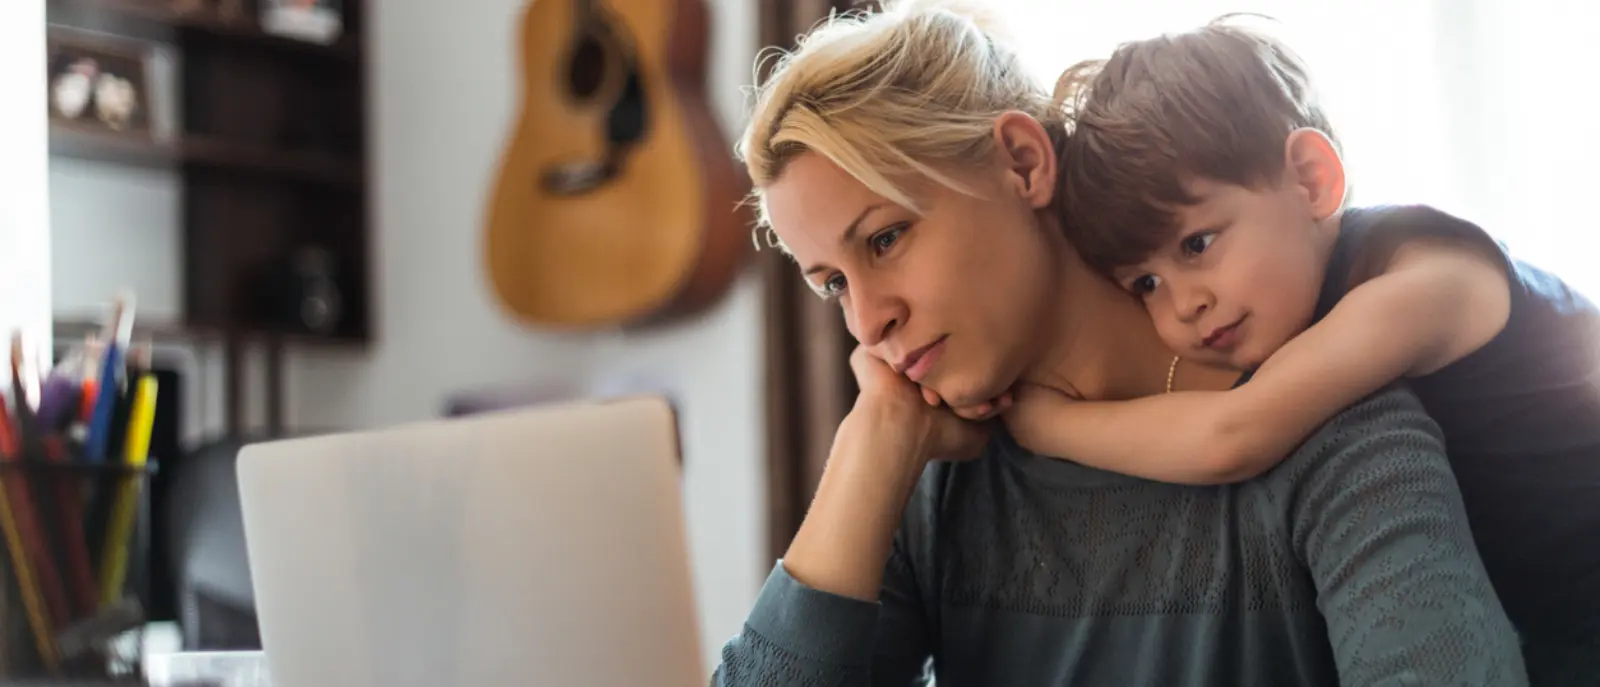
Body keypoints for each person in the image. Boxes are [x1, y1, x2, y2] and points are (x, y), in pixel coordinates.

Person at [710, 2, 1526, 684]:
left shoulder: (1333, 429)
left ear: (1022, 162)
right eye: (833, 283)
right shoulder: (930, 472)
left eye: (885, 239)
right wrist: (872, 441)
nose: (866, 324)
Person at [999, 17, 1600, 681]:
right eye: (1145, 283)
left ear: (1312, 180)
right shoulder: (1295, 310)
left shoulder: (1427, 278)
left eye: (1197, 244)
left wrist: (1042, 421)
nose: (1182, 304)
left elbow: (1233, 434)